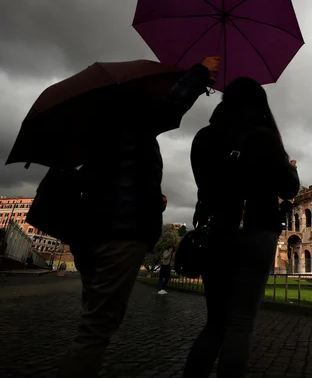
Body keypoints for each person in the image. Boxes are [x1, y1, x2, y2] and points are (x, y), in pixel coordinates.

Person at [56, 56, 221, 378]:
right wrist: (201, 72)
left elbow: (111, 180)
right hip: (116, 234)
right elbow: (170, 107)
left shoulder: (88, 131)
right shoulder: (128, 121)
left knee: (94, 318)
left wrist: (149, 199)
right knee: (97, 327)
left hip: (89, 231)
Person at [183, 77, 299, 377]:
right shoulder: (264, 137)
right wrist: (290, 168)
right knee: (241, 323)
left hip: (215, 230)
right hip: (256, 228)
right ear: (259, 104)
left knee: (216, 323)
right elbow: (288, 188)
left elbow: (202, 186)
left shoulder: (203, 137)